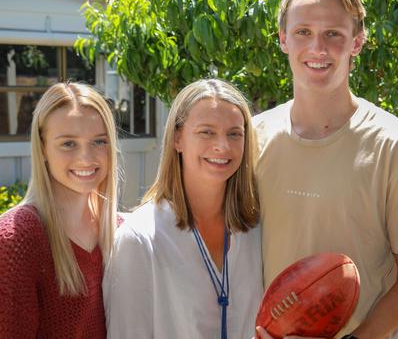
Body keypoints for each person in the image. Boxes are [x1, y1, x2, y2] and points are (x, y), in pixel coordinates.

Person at [253, 0, 398, 338]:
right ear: (283, 39)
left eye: (333, 33)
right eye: (303, 32)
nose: (317, 47)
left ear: (357, 42)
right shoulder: (252, 139)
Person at [103, 79, 262, 339]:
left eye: (234, 133)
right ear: (178, 139)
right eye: (206, 132)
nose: (222, 145)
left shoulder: (255, 229)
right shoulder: (140, 239)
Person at [0, 82, 120, 338]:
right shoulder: (15, 239)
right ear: (42, 147)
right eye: (68, 144)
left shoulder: (121, 231)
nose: (86, 158)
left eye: (99, 141)